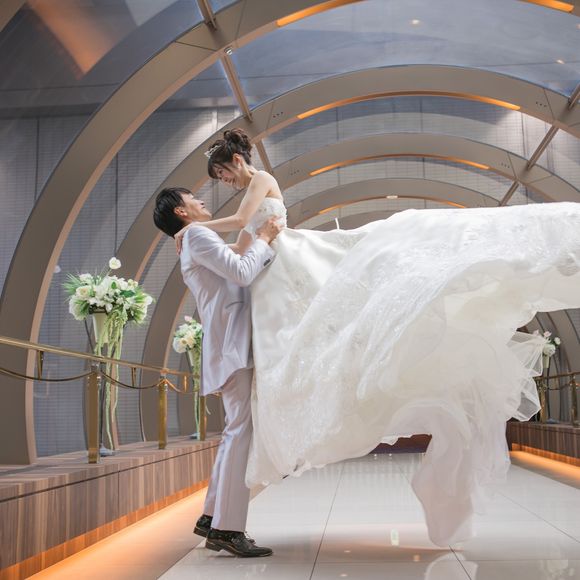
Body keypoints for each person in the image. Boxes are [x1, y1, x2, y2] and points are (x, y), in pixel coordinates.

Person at [175, 128, 580, 547]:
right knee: (293, 356)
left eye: (222, 173)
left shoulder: (260, 180)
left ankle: (221, 517)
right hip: (270, 274)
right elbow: (243, 249)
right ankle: (224, 513)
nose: (224, 182)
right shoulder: (234, 207)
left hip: (284, 260)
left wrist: (193, 230)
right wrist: (214, 244)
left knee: (346, 305)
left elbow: (242, 224)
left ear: (236, 161)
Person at [153, 186, 282, 558]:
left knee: (234, 433)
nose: (201, 200)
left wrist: (256, 238)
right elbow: (241, 272)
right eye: (193, 197)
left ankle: (213, 518)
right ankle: (228, 528)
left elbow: (237, 259)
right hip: (231, 346)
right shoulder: (196, 235)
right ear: (181, 211)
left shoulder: (194, 237)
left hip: (227, 345)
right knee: (240, 434)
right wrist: (264, 237)